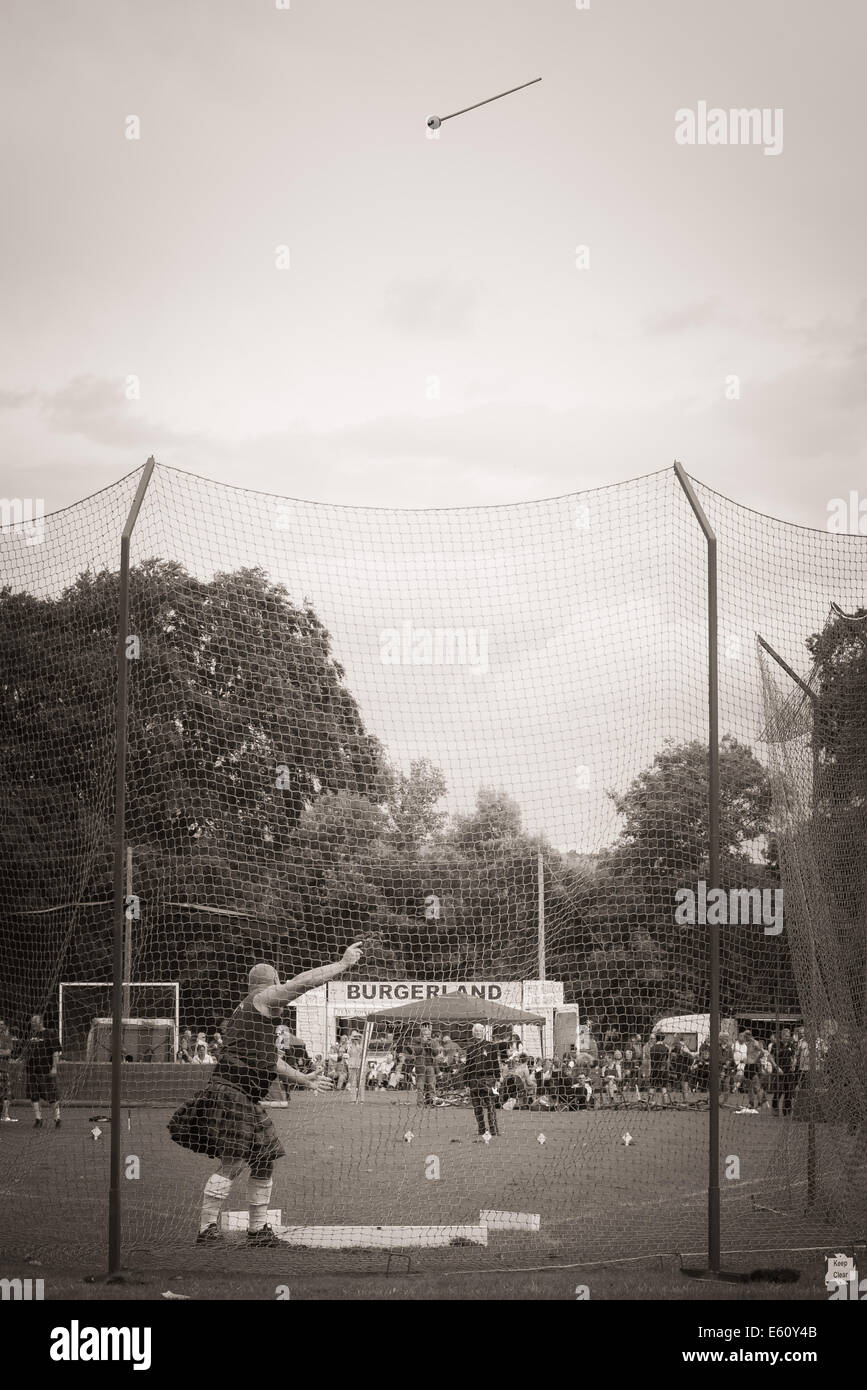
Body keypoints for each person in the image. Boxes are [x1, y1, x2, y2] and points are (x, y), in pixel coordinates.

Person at [169, 942, 361, 1247]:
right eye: (278, 984)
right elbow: (302, 982)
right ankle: (207, 1229)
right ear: (272, 984)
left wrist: (304, 1079)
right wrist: (343, 964)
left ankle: (257, 1232)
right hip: (232, 1094)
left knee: (264, 1158)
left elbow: (269, 1060)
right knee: (233, 1162)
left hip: (241, 1096)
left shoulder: (247, 1014)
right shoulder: (262, 998)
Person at [20, 1014, 62, 1128]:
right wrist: (23, 1065)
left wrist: (54, 1067)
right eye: (32, 1023)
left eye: (35, 1023)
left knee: (52, 1096)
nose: (33, 1025)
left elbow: (56, 1052)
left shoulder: (50, 1034)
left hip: (46, 1071)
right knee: (34, 1096)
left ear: (40, 1022)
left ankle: (57, 1118)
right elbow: (26, 1053)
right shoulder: (31, 1035)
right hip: (32, 1071)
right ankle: (38, 1119)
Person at [462, 1024, 500, 1139]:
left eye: (480, 1031)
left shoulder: (491, 1046)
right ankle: (481, 1130)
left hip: (488, 1080)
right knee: (477, 1107)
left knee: (490, 1105)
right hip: (474, 1080)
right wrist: (466, 1083)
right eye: (476, 1031)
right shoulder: (470, 1049)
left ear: (484, 1032)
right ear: (473, 1033)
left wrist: (497, 1078)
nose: (478, 1033)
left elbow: (495, 1063)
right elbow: (467, 1066)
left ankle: (494, 1131)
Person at [413, 1025, 438, 1108]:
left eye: (428, 1035)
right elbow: (416, 1051)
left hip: (430, 1066)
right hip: (420, 1067)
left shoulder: (433, 1041)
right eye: (425, 1034)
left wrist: (430, 1045)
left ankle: (431, 1102)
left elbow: (436, 1053)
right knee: (420, 1087)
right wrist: (423, 1043)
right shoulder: (416, 1040)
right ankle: (420, 1104)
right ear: (421, 1034)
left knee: (431, 1085)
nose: (427, 1036)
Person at [646, 1033, 671, 1109]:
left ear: (656, 1038)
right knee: (664, 1087)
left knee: (652, 1086)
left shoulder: (652, 1048)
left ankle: (649, 1102)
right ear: (663, 1038)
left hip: (654, 1070)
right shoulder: (666, 1048)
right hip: (663, 1070)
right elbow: (666, 1060)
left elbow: (652, 1060)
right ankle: (665, 1104)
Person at [0, 1019, 18, 1122]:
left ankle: (6, 1115)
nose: (0, 1026)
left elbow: (8, 1052)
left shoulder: (7, 1038)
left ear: (5, 1026)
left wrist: (3, 1052)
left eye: (2, 1024)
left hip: (4, 1069)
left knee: (7, 1092)